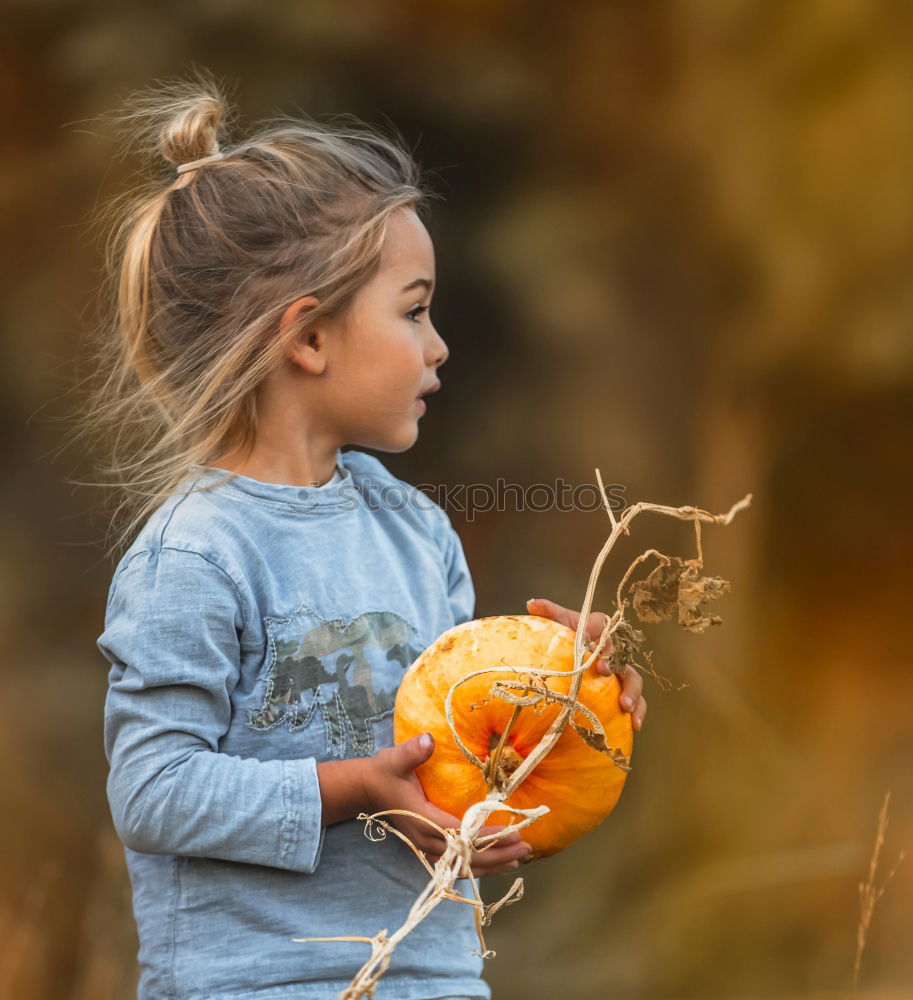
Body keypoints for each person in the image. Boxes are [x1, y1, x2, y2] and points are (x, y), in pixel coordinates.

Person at [93, 72, 647, 1000]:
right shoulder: (196, 554)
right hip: (257, 986)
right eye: (413, 310)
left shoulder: (414, 530)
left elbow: (456, 758)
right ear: (307, 340)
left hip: (429, 979)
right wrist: (352, 787)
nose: (437, 347)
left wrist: (564, 699)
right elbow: (152, 790)